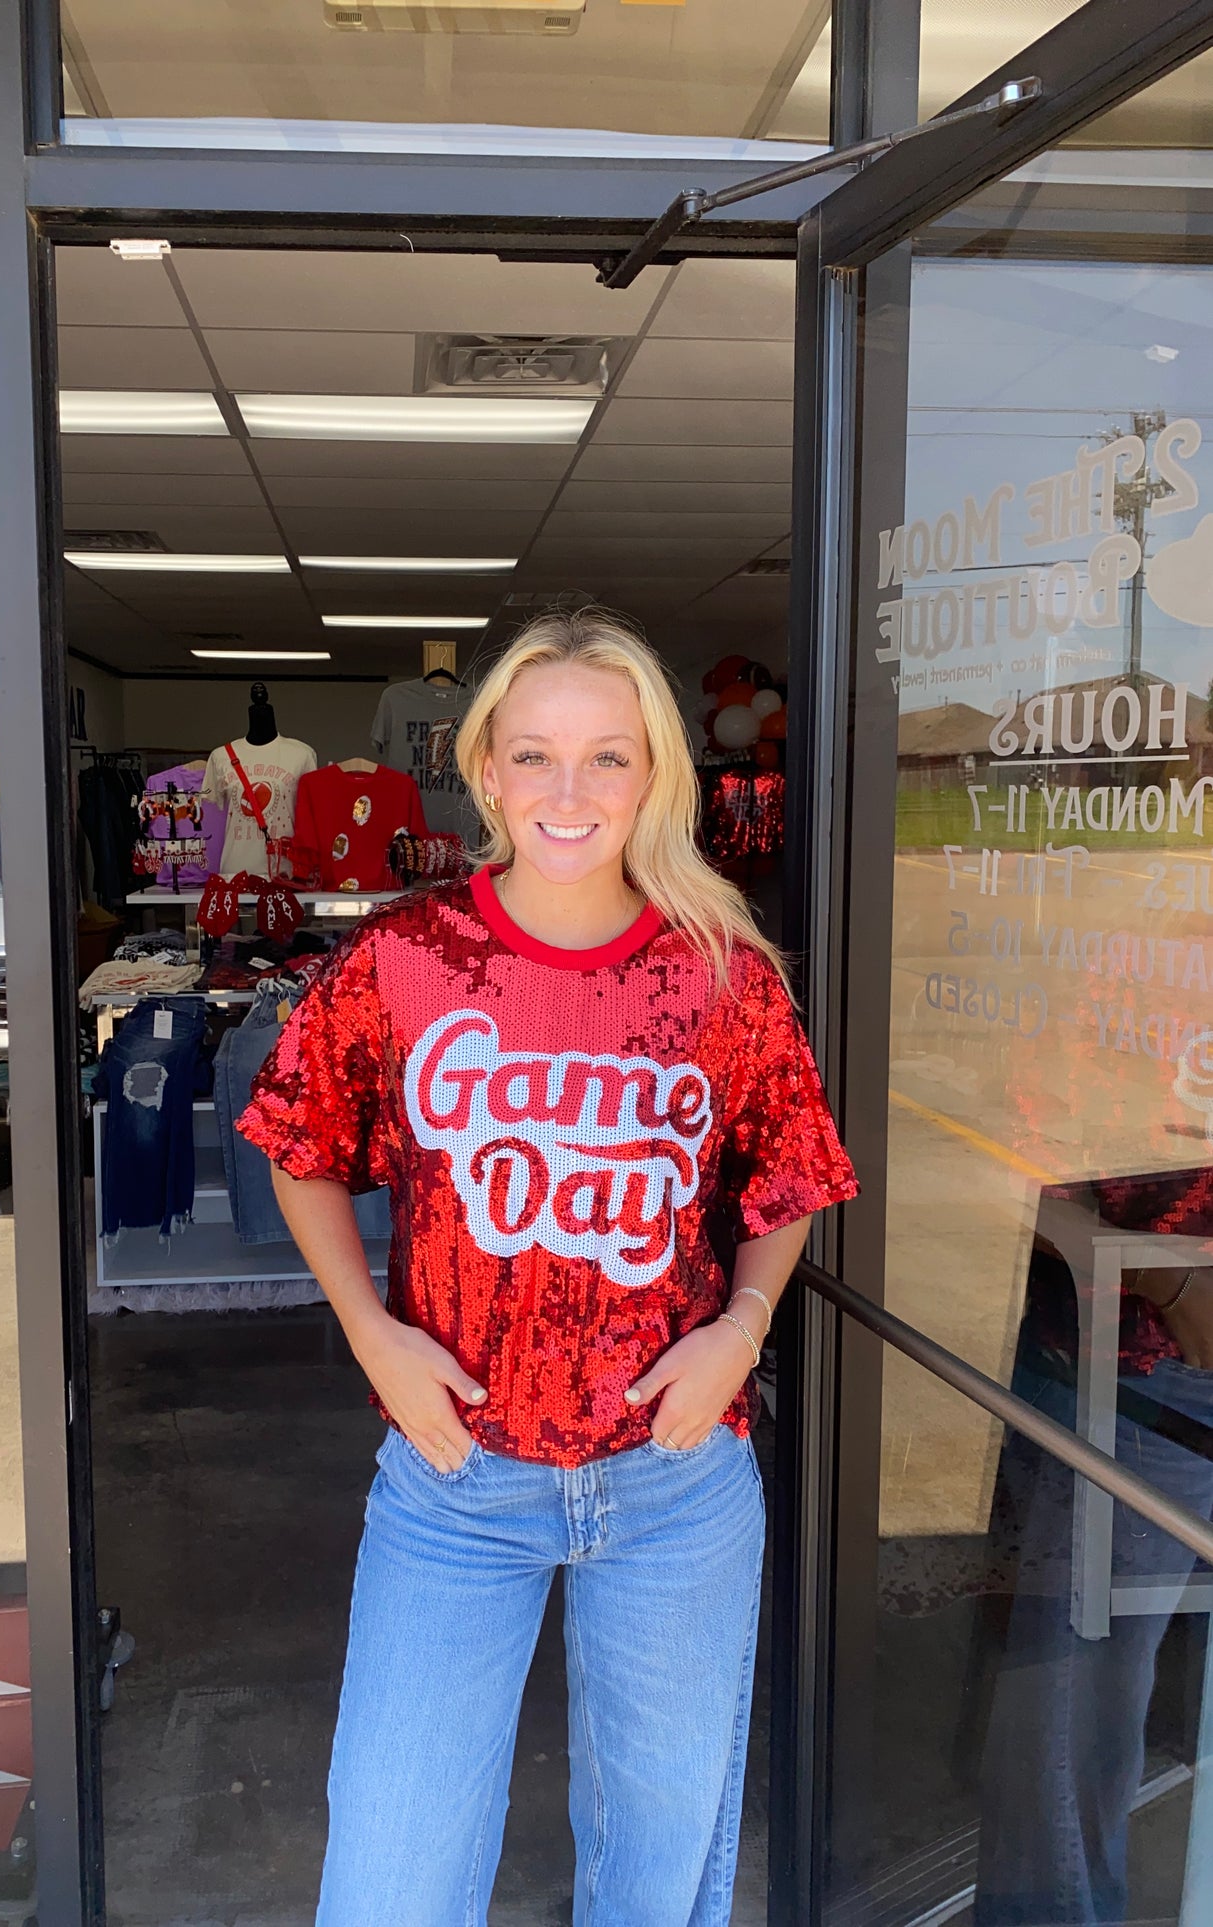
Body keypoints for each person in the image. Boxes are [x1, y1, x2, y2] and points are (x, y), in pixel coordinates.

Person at [237, 608, 858, 1927]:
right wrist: (371, 1333)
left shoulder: (718, 976)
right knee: (391, 1880)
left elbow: (791, 1171)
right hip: (456, 1475)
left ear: (656, 778)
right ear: (483, 768)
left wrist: (742, 1326)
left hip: (674, 1482)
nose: (567, 794)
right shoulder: (405, 959)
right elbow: (296, 1143)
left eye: (607, 759)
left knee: (655, 1874)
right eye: (533, 757)